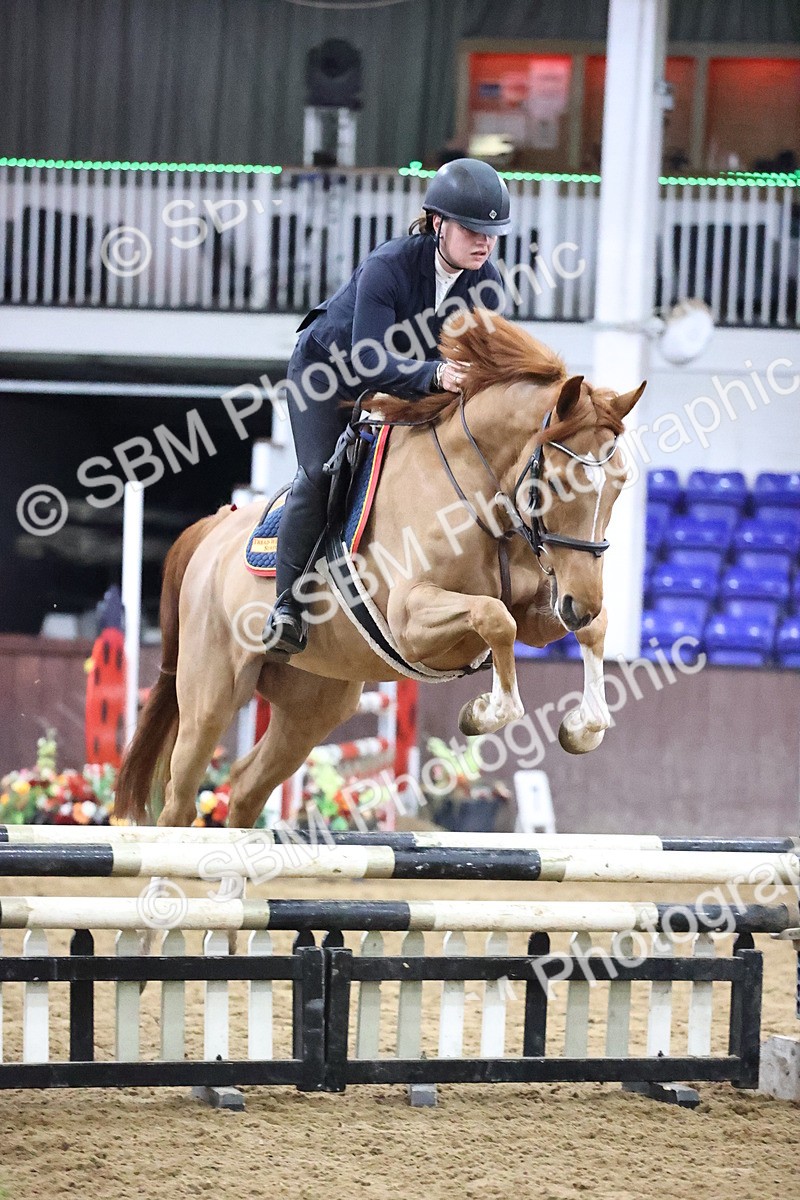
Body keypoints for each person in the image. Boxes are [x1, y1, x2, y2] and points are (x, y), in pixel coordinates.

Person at [262, 157, 511, 656]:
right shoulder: (389, 265)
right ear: (438, 224)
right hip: (327, 375)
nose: (484, 242)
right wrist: (436, 375)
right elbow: (369, 360)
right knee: (321, 472)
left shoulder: (488, 285)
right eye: (472, 230)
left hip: (408, 385)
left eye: (491, 233)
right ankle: (286, 606)